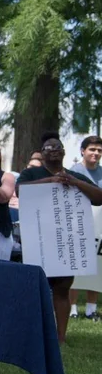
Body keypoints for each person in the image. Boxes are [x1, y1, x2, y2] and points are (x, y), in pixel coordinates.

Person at [16, 132, 102, 344]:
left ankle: (60, 337)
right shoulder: (31, 174)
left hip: (66, 242)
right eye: (48, 148)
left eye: (57, 147)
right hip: (38, 242)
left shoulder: (73, 176)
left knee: (62, 289)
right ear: (42, 153)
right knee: (36, 289)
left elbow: (99, 198)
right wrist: (50, 181)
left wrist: (74, 182)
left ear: (64, 152)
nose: (53, 150)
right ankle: (34, 334)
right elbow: (20, 191)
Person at [68, 135, 102, 320]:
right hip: (77, 225)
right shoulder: (73, 171)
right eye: (92, 149)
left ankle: (90, 308)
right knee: (75, 267)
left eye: (99, 150)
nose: (96, 153)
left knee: (96, 265)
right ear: (83, 151)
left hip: (99, 228)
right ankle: (73, 308)